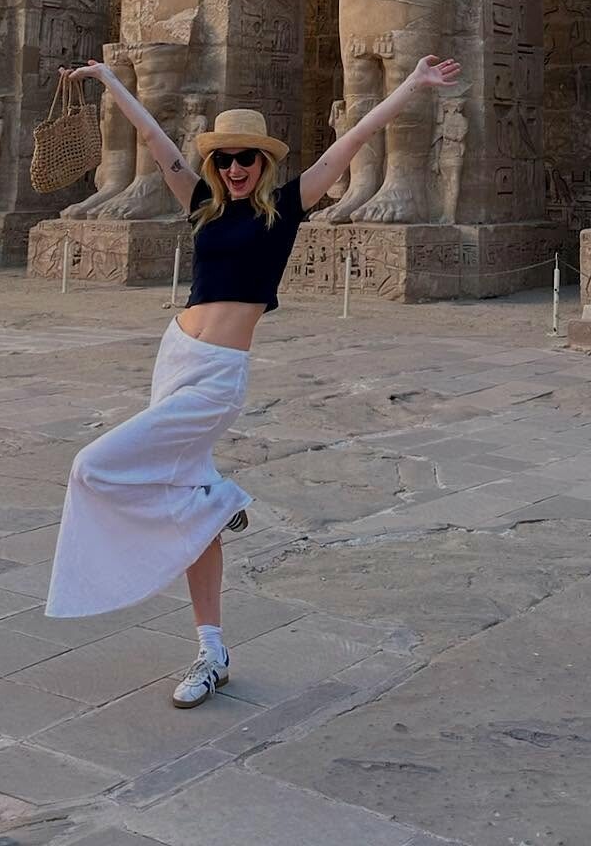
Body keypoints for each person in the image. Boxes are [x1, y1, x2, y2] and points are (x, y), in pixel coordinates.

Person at [43, 50, 461, 709]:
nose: (235, 169)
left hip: (216, 377)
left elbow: (355, 137)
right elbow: (152, 138)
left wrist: (412, 83)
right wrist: (109, 80)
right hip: (175, 355)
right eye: (225, 159)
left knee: (90, 465)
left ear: (265, 164)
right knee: (187, 499)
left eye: (247, 159)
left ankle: (222, 498)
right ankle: (212, 650)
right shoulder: (201, 205)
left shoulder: (286, 209)